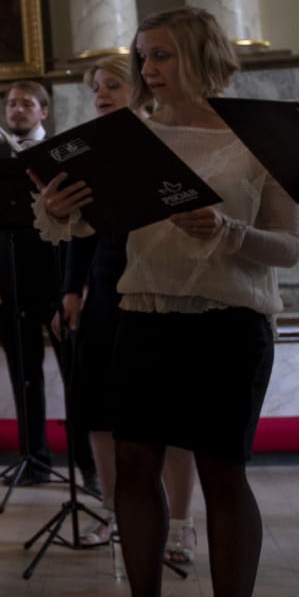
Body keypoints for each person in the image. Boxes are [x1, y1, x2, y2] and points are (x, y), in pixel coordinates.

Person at [45, 9, 299, 597]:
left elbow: (294, 247)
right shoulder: (132, 137)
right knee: (133, 468)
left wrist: (230, 229)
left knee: (221, 472)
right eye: (143, 56)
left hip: (228, 323)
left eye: (161, 55)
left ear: (201, 54)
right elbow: (88, 223)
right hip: (144, 315)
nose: (148, 69)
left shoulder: (261, 137)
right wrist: (63, 205)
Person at [36, 56, 199, 552]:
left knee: (168, 414)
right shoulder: (91, 149)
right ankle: (111, 511)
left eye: (113, 84)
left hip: (163, 285)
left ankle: (180, 525)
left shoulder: (162, 142)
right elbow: (79, 232)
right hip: (106, 286)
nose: (101, 94)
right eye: (96, 88)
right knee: (98, 411)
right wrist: (70, 289)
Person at [0, 81, 92, 488]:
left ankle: (88, 465)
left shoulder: (60, 154)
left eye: (26, 103)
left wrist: (77, 284)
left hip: (58, 281)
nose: (17, 109)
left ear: (44, 112)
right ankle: (33, 459)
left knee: (76, 375)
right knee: (23, 374)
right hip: (10, 282)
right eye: (11, 104)